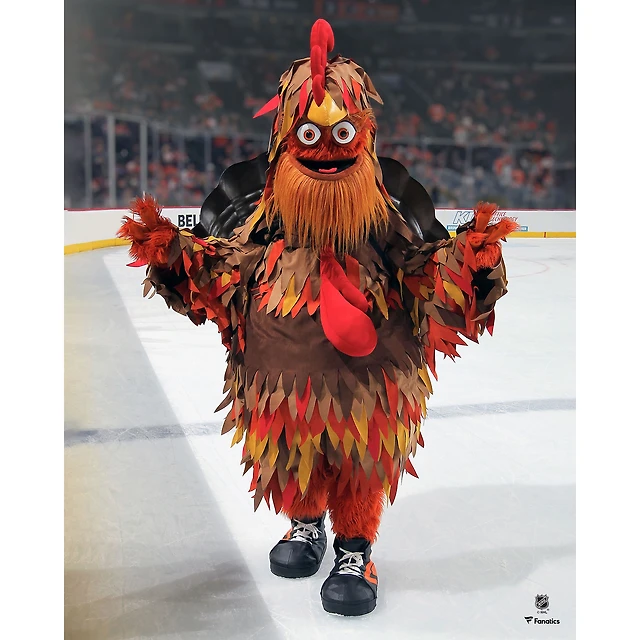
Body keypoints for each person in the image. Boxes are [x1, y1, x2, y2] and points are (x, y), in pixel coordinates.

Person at [118, 19, 517, 617]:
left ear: (364, 140)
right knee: (292, 457)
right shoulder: (263, 232)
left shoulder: (387, 231)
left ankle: (355, 550)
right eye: (309, 134)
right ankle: (305, 524)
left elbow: (428, 276)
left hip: (370, 390)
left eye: (342, 133)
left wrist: (470, 263)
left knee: (359, 464)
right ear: (286, 143)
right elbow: (220, 273)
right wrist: (173, 254)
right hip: (279, 389)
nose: (326, 149)